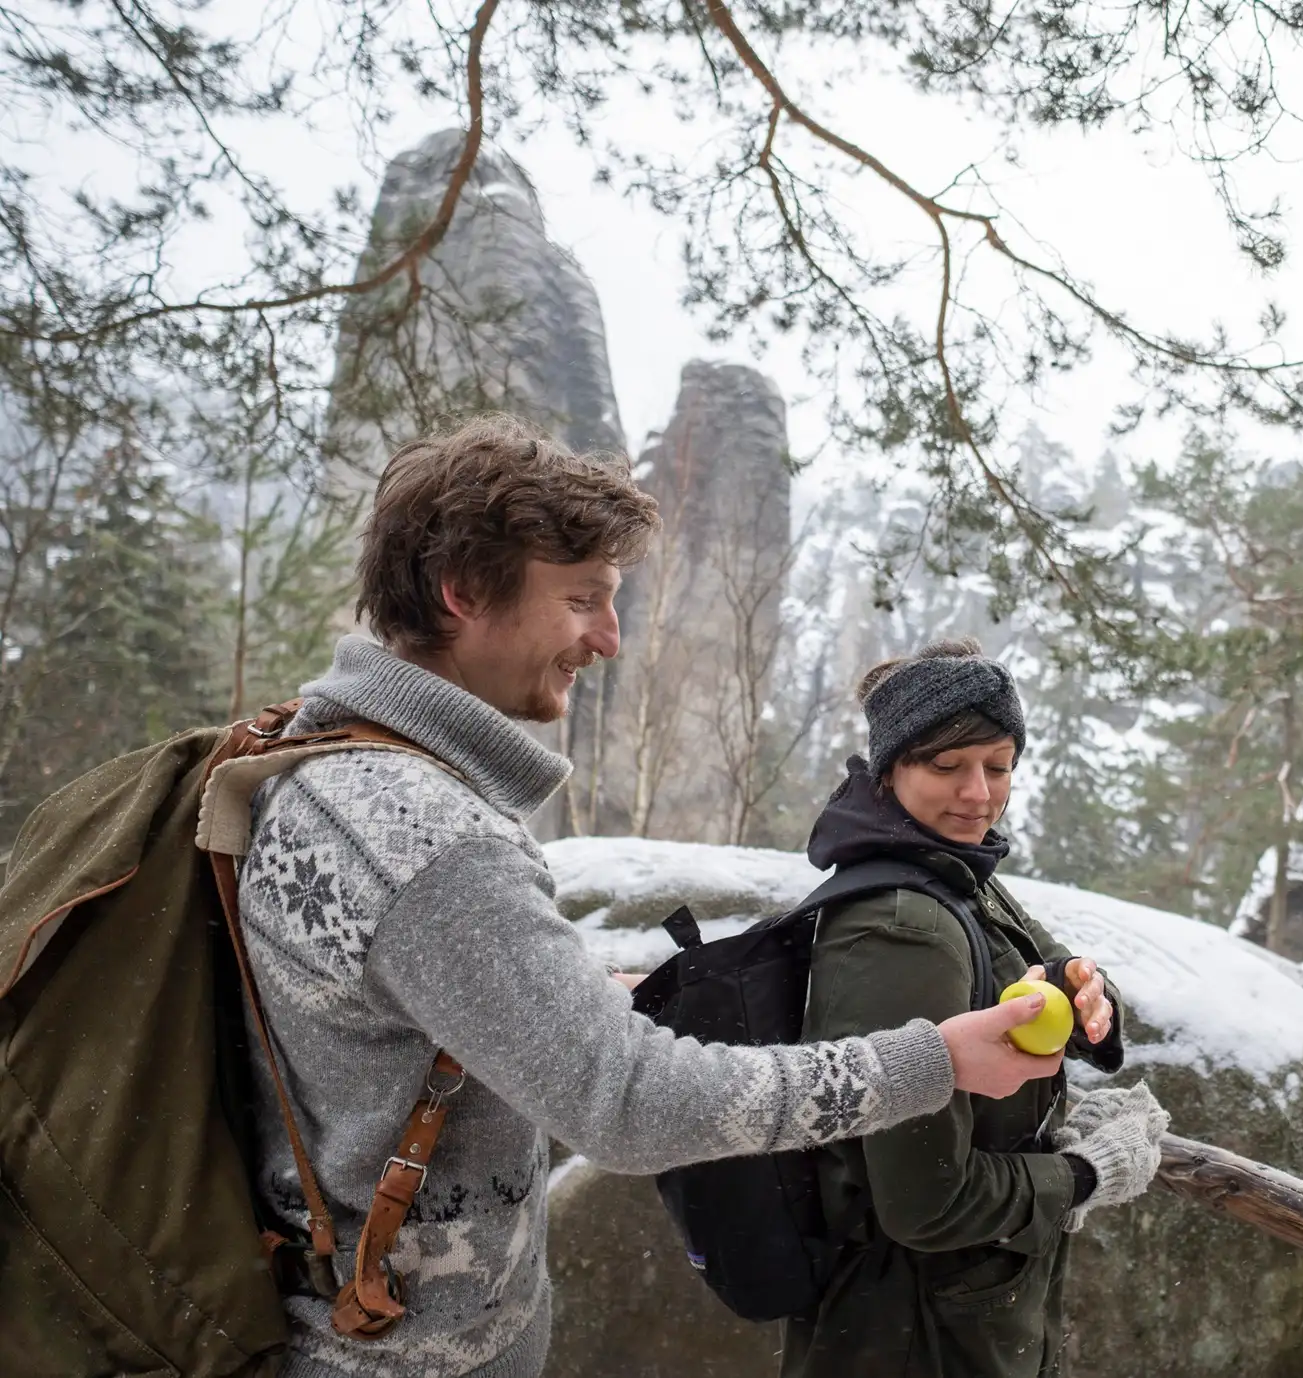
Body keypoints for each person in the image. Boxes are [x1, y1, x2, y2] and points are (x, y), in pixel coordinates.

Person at [236, 417, 1063, 1378]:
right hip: (402, 1356)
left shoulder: (318, 762)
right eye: (583, 600)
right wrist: (931, 1063)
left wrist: (565, 987)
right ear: (462, 594)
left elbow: (383, 982)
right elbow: (630, 1106)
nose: (610, 638)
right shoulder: (427, 839)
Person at [780, 639, 1172, 1378]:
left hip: (947, 1320)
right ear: (890, 768)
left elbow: (1039, 970)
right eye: (946, 766)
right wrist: (1084, 1174)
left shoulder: (954, 873)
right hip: (912, 1335)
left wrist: (1085, 993)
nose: (978, 794)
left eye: (998, 767)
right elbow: (923, 1201)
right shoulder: (903, 924)